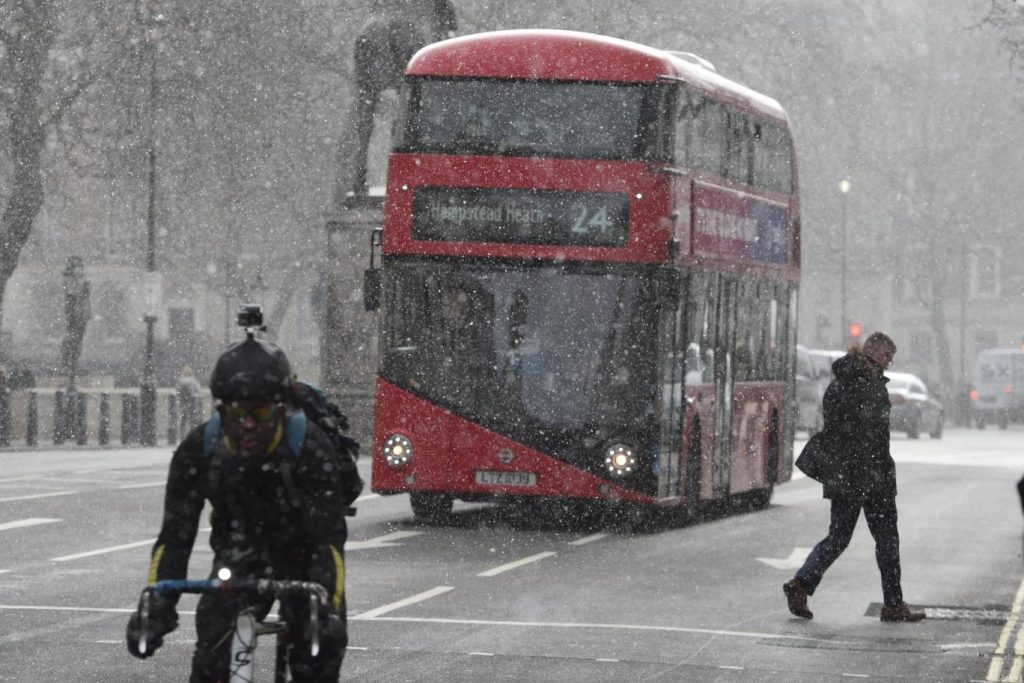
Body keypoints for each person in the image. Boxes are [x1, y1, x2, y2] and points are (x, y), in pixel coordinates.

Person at [126, 336, 363, 681]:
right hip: (237, 553)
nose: (248, 424)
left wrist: (327, 609)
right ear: (221, 411)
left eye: (261, 413)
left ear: (282, 409)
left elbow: (328, 542)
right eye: (237, 414)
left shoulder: (310, 447)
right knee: (211, 656)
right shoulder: (199, 450)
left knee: (317, 653)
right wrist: (157, 606)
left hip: (305, 557)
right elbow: (174, 538)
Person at [783, 332, 925, 623]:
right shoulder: (869, 386)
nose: (889, 362)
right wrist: (876, 470)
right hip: (870, 475)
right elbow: (872, 436)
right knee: (886, 540)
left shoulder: (843, 382)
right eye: (887, 355)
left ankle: (801, 583)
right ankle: (893, 605)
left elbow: (838, 428)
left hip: (847, 474)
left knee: (838, 537)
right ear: (873, 351)